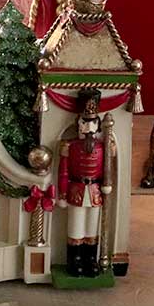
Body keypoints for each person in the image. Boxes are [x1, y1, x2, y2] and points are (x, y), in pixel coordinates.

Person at [57, 88, 112, 278]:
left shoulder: (103, 147)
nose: (88, 128)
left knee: (91, 228)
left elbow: (107, 168)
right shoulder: (69, 147)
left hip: (95, 191)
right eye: (85, 123)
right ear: (79, 124)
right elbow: (64, 171)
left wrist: (107, 184)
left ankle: (90, 260)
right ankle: (75, 261)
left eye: (92, 124)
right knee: (76, 227)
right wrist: (62, 194)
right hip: (76, 190)